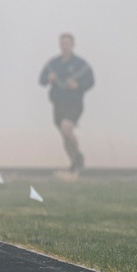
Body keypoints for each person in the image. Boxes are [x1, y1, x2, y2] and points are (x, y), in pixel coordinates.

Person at [39, 33, 94, 173]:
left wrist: (78, 85)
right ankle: (74, 163)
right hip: (58, 103)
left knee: (66, 127)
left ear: (72, 45)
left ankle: (78, 156)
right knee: (64, 135)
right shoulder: (53, 64)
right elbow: (42, 79)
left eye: (67, 44)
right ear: (59, 45)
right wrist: (48, 78)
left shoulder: (80, 64)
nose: (65, 46)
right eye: (62, 44)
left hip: (74, 103)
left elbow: (91, 81)